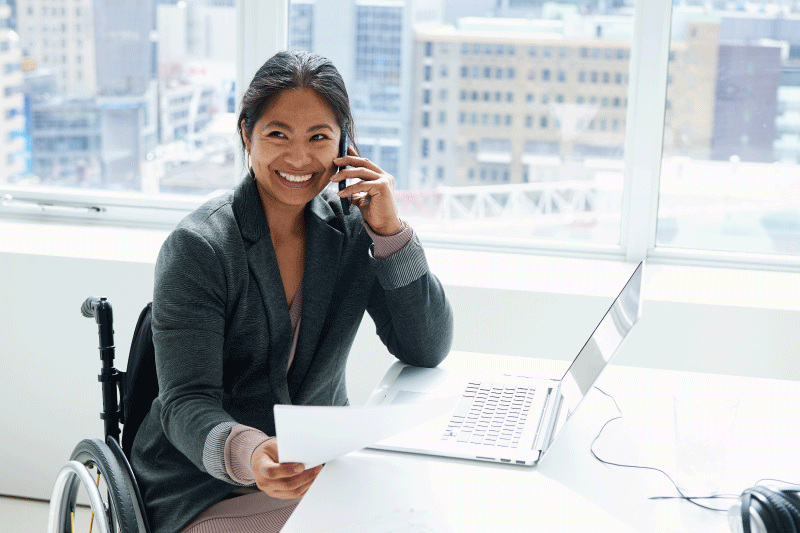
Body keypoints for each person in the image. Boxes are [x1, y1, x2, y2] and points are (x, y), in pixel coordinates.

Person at [130, 50, 454, 533]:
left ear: (342, 142)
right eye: (278, 135)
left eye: (318, 137)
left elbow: (425, 348)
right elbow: (185, 402)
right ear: (247, 135)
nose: (299, 159)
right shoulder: (199, 246)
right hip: (205, 485)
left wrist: (390, 233)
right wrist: (251, 452)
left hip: (320, 470)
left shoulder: (354, 228)